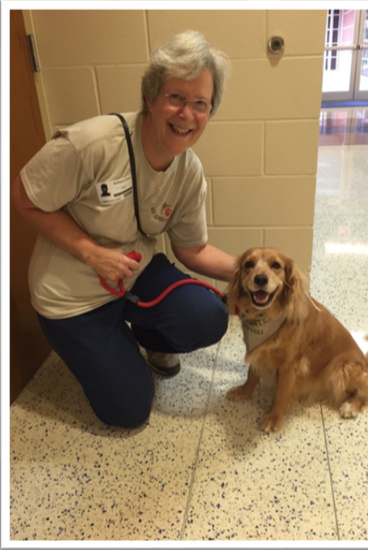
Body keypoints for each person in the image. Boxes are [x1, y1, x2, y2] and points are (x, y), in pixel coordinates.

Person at [11, 30, 235, 429]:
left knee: (209, 316)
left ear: (210, 112)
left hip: (133, 276)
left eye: (200, 103)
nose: (187, 114)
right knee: (129, 411)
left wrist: (263, 276)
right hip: (73, 299)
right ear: (150, 98)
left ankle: (145, 340)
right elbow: (22, 197)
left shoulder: (189, 170)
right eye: (175, 98)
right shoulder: (92, 143)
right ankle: (104, 349)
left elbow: (193, 250)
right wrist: (90, 252)